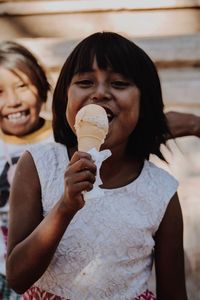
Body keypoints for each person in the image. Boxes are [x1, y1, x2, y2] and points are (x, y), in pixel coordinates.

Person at [6, 32, 188, 300]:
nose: (100, 92)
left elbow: (174, 293)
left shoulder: (161, 192)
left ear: (144, 102)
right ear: (65, 97)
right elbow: (17, 278)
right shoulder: (37, 166)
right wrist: (65, 207)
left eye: (119, 83)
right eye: (85, 81)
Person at [0, 41, 53, 299]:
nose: (12, 101)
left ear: (41, 84)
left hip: (47, 273)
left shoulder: (64, 141)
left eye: (22, 86)